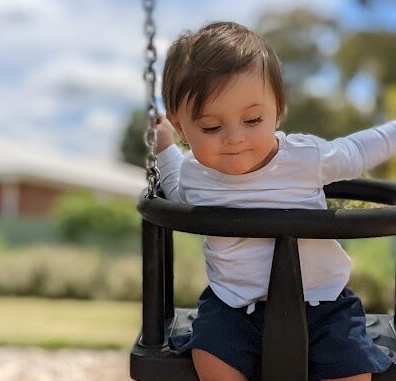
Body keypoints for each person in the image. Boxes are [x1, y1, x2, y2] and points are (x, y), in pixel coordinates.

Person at [154, 21, 395, 381]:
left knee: (352, 372)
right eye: (210, 128)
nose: (234, 138)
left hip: (324, 304)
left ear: (278, 110)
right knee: (209, 359)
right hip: (232, 306)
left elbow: (358, 150)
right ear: (181, 125)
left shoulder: (306, 158)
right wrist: (163, 147)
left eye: (252, 119)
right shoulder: (195, 175)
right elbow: (172, 184)